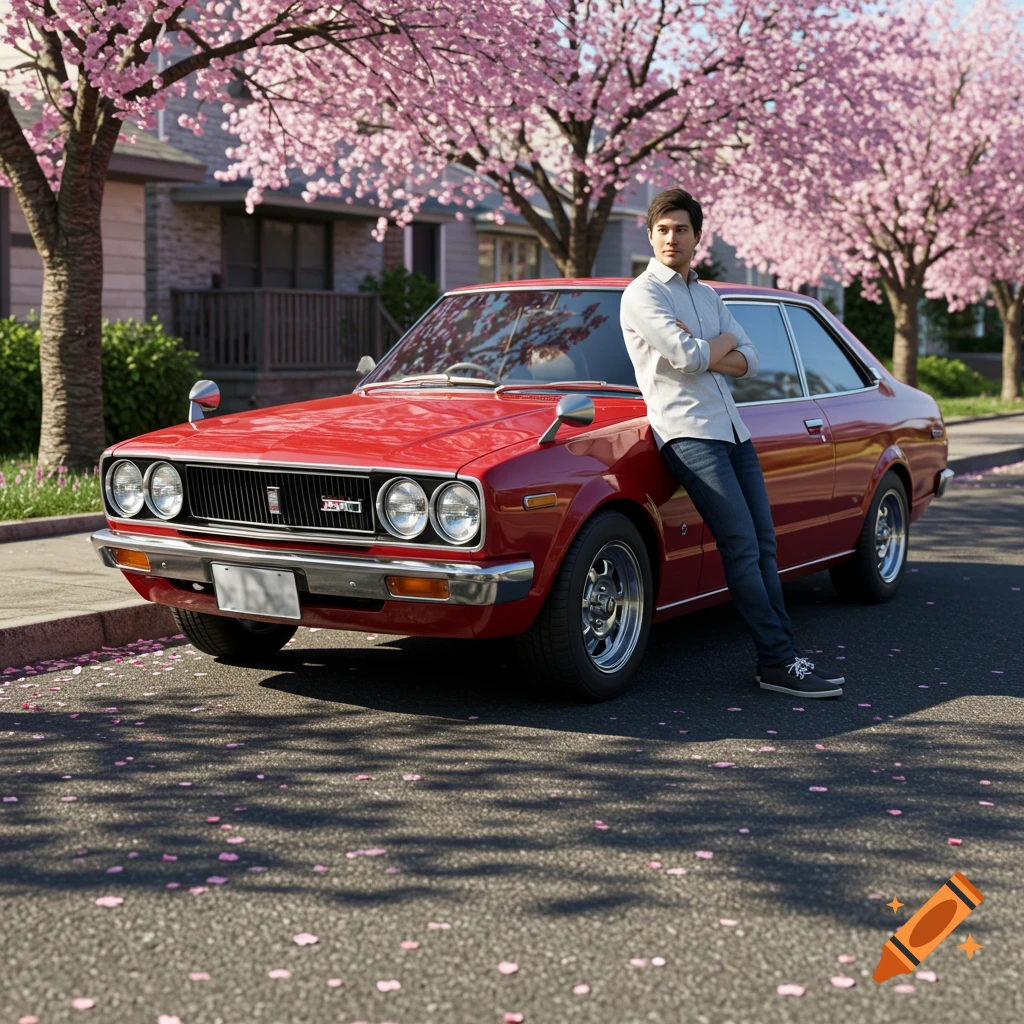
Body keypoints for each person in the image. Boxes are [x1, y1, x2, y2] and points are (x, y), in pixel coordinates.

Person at [620, 188, 844, 698]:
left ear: (697, 236)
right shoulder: (642, 294)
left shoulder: (706, 296)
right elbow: (687, 358)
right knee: (741, 548)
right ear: (650, 235)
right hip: (688, 432)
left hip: (734, 430)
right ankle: (778, 660)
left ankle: (782, 658)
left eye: (681, 229)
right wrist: (715, 347)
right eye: (662, 230)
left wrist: (707, 348)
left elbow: (752, 359)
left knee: (764, 545)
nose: (671, 238)